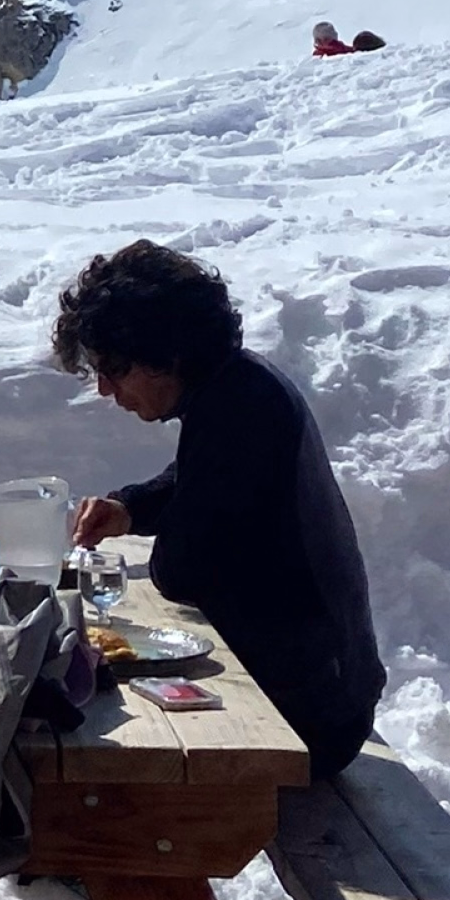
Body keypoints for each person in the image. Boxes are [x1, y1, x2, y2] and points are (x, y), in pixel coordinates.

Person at [61, 240, 384, 778]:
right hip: (323, 691)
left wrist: (159, 540)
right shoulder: (238, 388)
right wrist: (128, 508)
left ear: (165, 355)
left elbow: (182, 569)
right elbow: (195, 483)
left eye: (113, 369)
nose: (105, 389)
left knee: (106, 732)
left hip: (310, 719)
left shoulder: (240, 413)